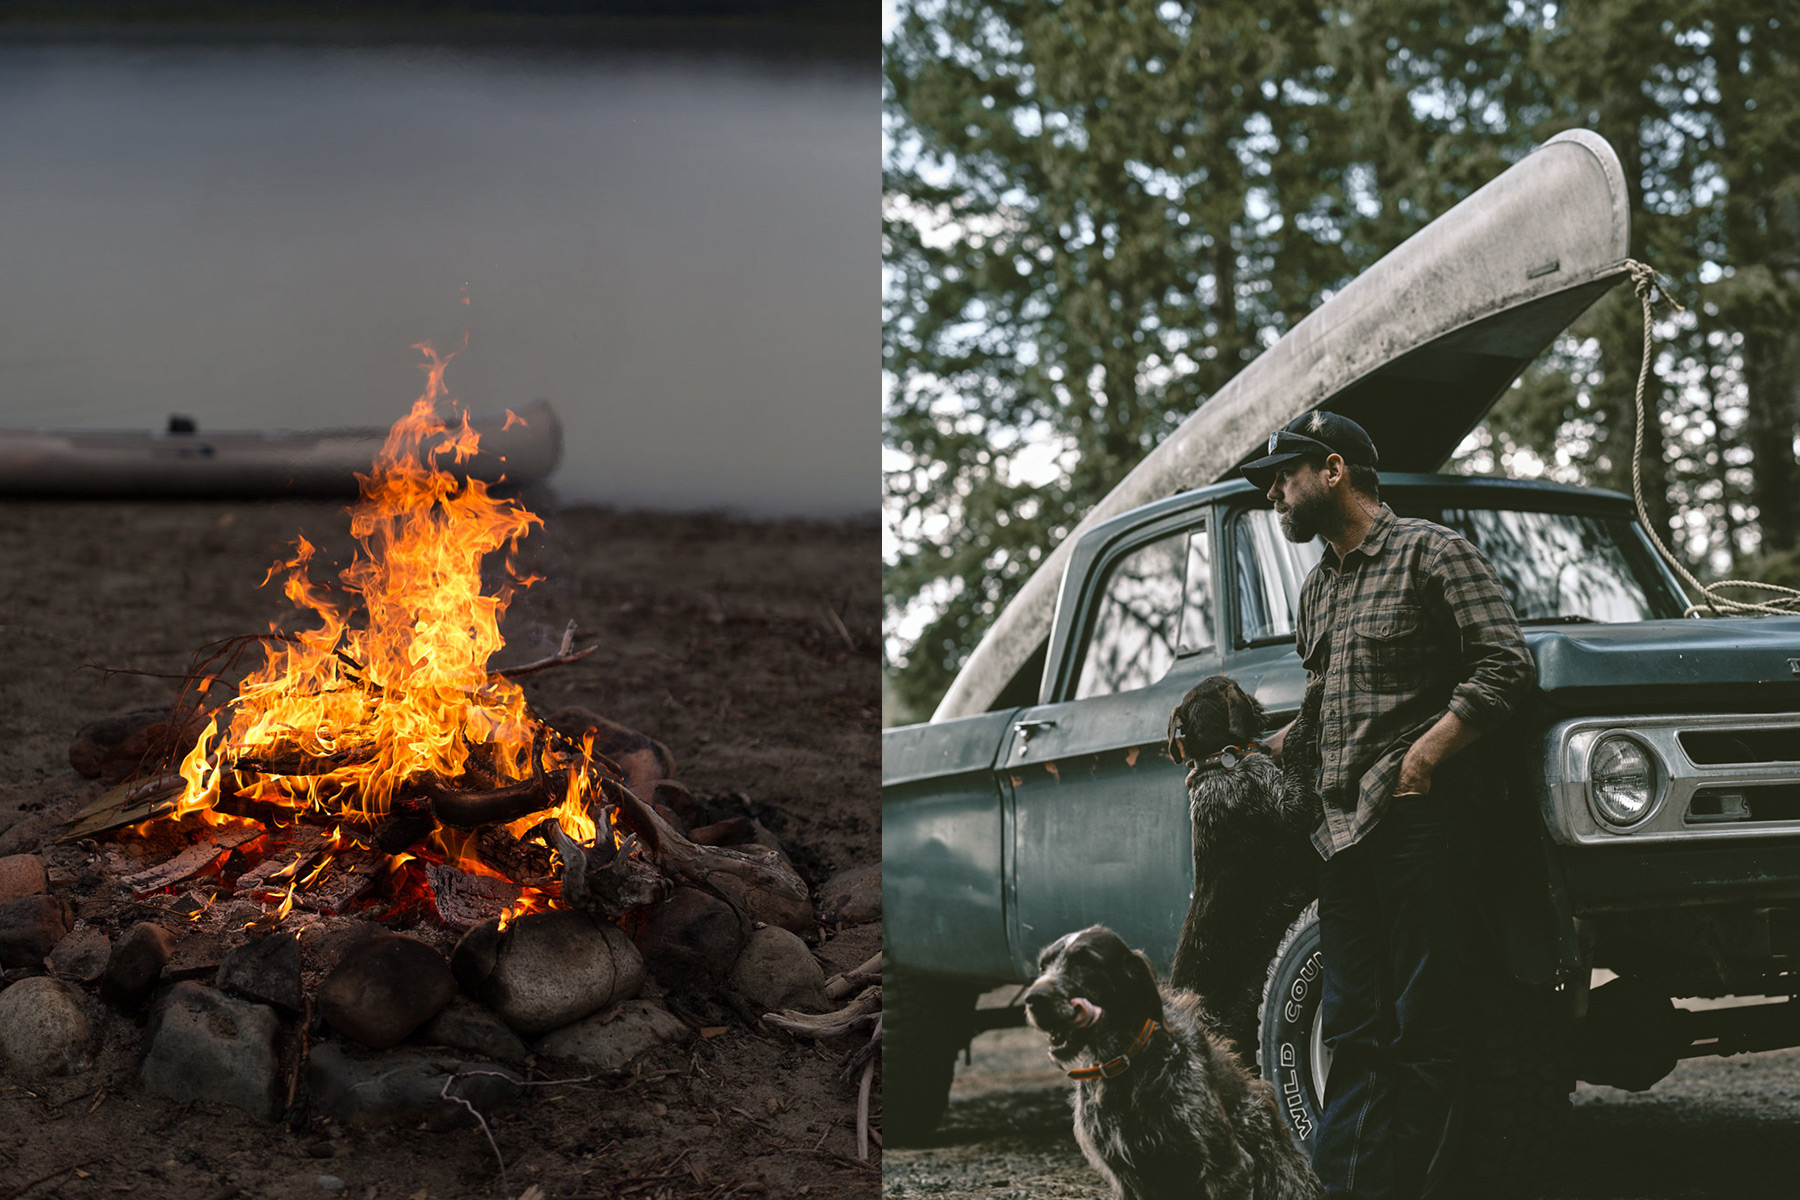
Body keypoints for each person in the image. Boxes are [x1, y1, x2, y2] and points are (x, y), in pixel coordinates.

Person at [1240, 412, 1534, 1200]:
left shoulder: (1432, 553)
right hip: (1337, 839)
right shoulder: (1316, 589)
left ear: (1334, 470)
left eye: (1283, 476)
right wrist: (1255, 749)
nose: (1273, 494)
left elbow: (1506, 664)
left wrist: (1425, 757)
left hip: (1418, 825)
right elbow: (1323, 707)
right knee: (1355, 1033)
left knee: (1423, 1030)